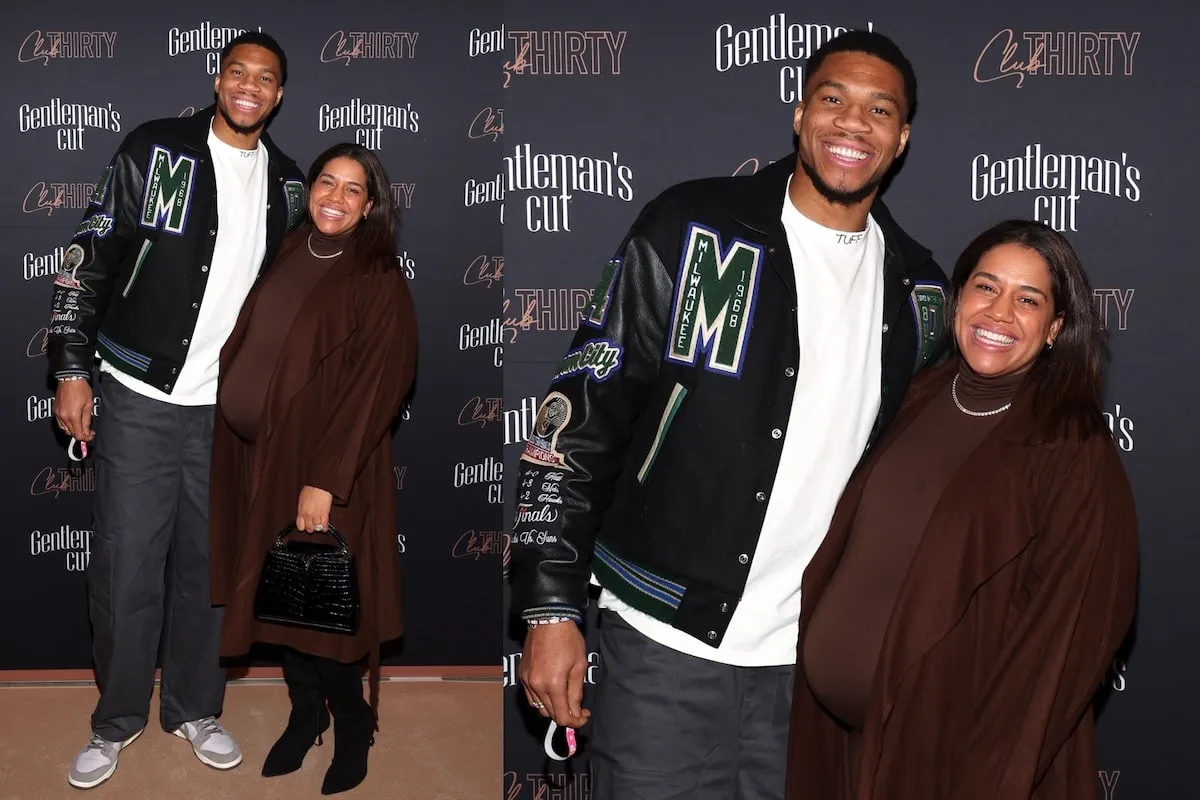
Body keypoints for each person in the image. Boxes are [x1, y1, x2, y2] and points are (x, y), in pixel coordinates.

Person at [510, 30, 949, 799]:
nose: (854, 124)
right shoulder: (694, 228)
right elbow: (575, 420)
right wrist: (549, 609)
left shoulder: (921, 294)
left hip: (816, 676)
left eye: (880, 110)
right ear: (799, 114)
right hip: (662, 650)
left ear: (902, 137)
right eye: (833, 100)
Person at [787, 220, 1139, 799]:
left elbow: (1066, 642)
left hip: (955, 767)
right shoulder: (922, 393)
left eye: (1027, 300)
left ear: (1055, 328)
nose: (999, 313)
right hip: (845, 749)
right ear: (959, 298)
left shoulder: (1072, 451)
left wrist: (988, 774)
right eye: (985, 287)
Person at [47, 31, 306, 790]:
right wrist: (71, 367)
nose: (249, 86)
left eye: (265, 78)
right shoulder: (157, 151)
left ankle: (197, 708)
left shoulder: (288, 186)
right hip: (137, 398)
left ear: (280, 94)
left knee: (209, 573)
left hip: (228, 420)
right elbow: (88, 256)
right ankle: (115, 720)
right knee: (127, 570)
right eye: (238, 72)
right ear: (217, 78)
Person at [206, 142, 417, 796]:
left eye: (354, 189)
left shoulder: (376, 275)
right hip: (262, 458)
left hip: (325, 464)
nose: (336, 197)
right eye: (328, 182)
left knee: (325, 610)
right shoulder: (292, 247)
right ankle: (303, 717)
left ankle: (352, 722)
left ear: (371, 204)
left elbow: (380, 385)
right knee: (283, 598)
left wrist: (325, 478)